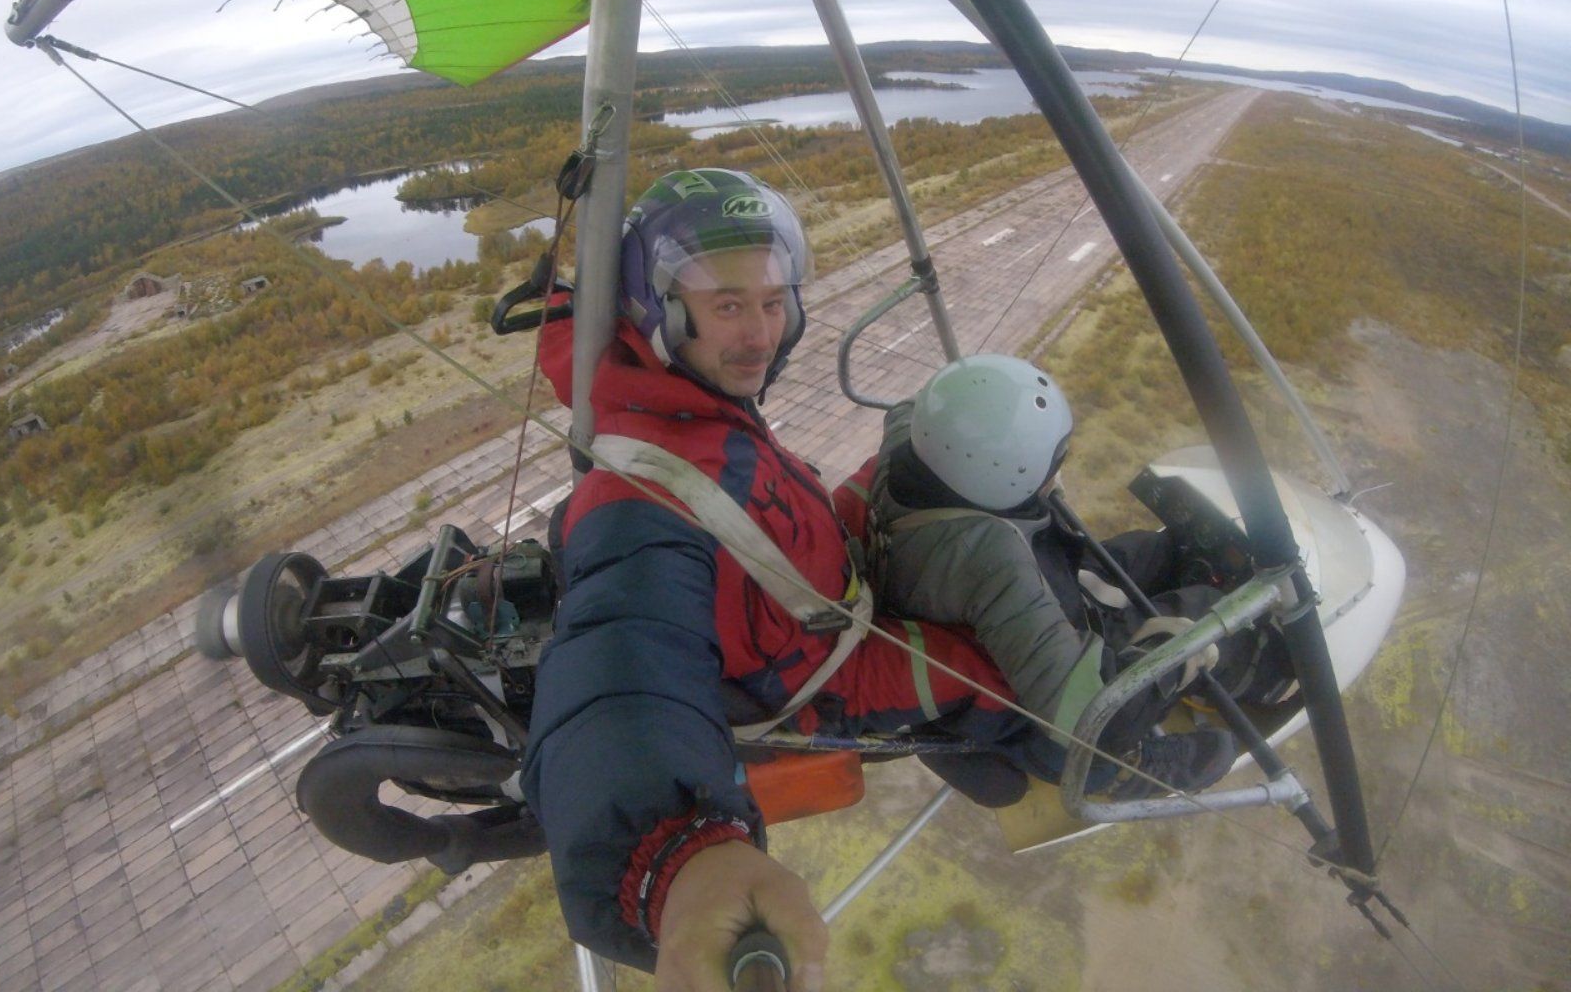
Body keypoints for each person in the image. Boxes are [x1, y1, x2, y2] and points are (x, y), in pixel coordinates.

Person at [520, 169, 1224, 986]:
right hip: (825, 663)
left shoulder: (663, 384)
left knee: (921, 459)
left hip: (809, 568)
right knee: (1011, 676)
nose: (761, 334)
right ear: (660, 310)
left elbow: (750, 506)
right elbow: (621, 679)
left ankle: (1144, 579)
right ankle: (1108, 762)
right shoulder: (635, 508)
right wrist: (676, 861)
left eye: (773, 302)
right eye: (728, 305)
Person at [837, 353, 1238, 797]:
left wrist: (992, 413)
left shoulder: (905, 447)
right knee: (1209, 610)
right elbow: (1092, 721)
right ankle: (1127, 771)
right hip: (1016, 666)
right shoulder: (992, 559)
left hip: (937, 594)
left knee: (1151, 549)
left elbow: (911, 408)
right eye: (1053, 462)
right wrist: (1172, 655)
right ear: (1008, 478)